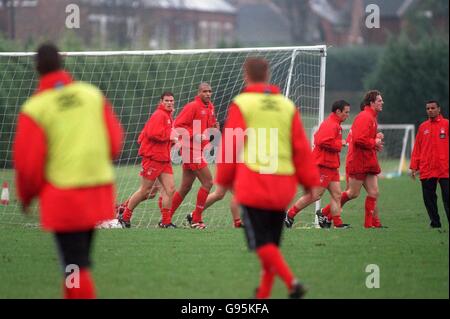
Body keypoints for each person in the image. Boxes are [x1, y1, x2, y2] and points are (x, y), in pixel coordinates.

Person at [13, 43, 123, 298]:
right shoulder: (91, 94)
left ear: (37, 68)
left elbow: (28, 164)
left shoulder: (36, 108)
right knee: (78, 262)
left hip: (64, 197)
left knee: (75, 265)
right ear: (63, 63)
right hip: (98, 192)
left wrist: (27, 197)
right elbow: (115, 142)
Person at [216, 57, 320, 299]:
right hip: (283, 185)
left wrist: (224, 177)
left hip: (254, 184)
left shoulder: (242, 104)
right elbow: (301, 148)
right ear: (268, 74)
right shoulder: (286, 105)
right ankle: (262, 295)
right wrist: (310, 182)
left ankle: (292, 283)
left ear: (246, 75)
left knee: (263, 245)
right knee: (271, 244)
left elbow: (232, 143)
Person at [319, 90, 385, 228]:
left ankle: (372, 224)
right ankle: (325, 212)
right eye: (379, 100)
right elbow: (359, 140)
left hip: (368, 160)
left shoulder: (372, 117)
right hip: (359, 161)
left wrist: (375, 143)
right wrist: (374, 142)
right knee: (352, 193)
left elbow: (365, 139)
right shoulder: (364, 117)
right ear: (371, 103)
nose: (382, 102)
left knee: (374, 192)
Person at [284, 100, 351, 229]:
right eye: (346, 112)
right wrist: (340, 144)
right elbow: (320, 140)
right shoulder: (330, 124)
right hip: (323, 165)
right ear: (338, 111)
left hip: (331, 165)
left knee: (337, 194)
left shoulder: (335, 124)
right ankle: (290, 214)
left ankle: (336, 223)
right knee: (314, 195)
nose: (348, 115)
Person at [118, 92, 177, 228]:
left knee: (170, 189)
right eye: (167, 100)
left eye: (171, 100)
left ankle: (166, 222)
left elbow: (164, 136)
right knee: (145, 190)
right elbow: (152, 133)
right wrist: (170, 136)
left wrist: (172, 140)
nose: (169, 103)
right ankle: (125, 217)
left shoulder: (168, 116)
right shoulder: (159, 115)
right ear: (161, 102)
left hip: (164, 159)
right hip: (153, 158)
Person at [170, 83, 219, 229]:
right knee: (208, 182)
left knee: (185, 187)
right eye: (205, 91)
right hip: (190, 149)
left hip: (198, 150)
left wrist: (214, 129)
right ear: (199, 93)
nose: (208, 94)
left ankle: (165, 219)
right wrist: (195, 134)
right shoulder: (192, 106)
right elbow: (178, 125)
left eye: (210, 91)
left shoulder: (210, 107)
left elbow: (208, 129)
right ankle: (196, 219)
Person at [410, 100, 449, 228]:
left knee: (447, 198)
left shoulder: (447, 124)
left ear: (439, 109)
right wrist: (414, 166)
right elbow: (417, 148)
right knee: (429, 199)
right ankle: (435, 222)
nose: (430, 110)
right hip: (427, 168)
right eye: (428, 108)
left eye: (433, 108)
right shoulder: (423, 127)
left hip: (445, 168)